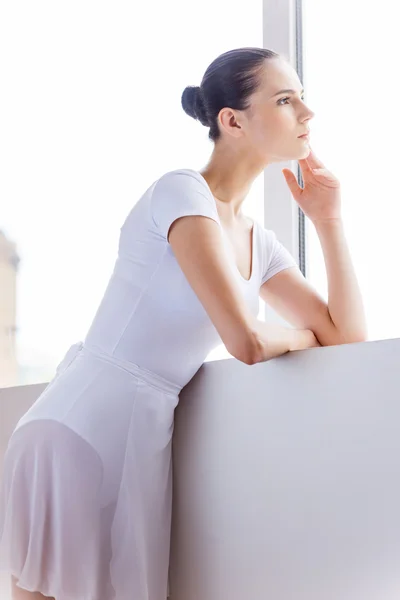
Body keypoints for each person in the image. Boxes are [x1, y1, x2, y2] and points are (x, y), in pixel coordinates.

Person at [0, 47, 367, 600]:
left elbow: (347, 337)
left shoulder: (256, 241)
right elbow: (242, 339)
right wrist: (298, 336)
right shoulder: (181, 192)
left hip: (141, 439)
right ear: (232, 120)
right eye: (286, 100)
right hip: (77, 430)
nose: (307, 115)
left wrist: (329, 221)